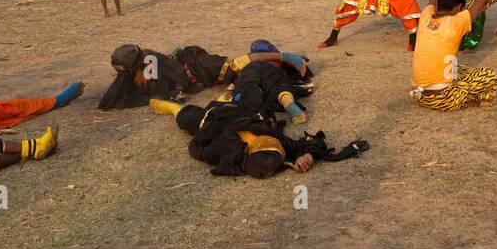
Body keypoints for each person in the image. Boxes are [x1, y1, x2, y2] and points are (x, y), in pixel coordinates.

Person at [149, 98, 368, 178]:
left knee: (186, 117)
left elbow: (195, 147)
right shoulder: (279, 144)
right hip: (249, 111)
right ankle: (229, 94)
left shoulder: (224, 150)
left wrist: (208, 127)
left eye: (274, 145)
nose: (277, 141)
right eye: (278, 146)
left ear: (252, 149)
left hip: (215, 120)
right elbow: (311, 144)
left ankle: (171, 107)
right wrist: (308, 155)